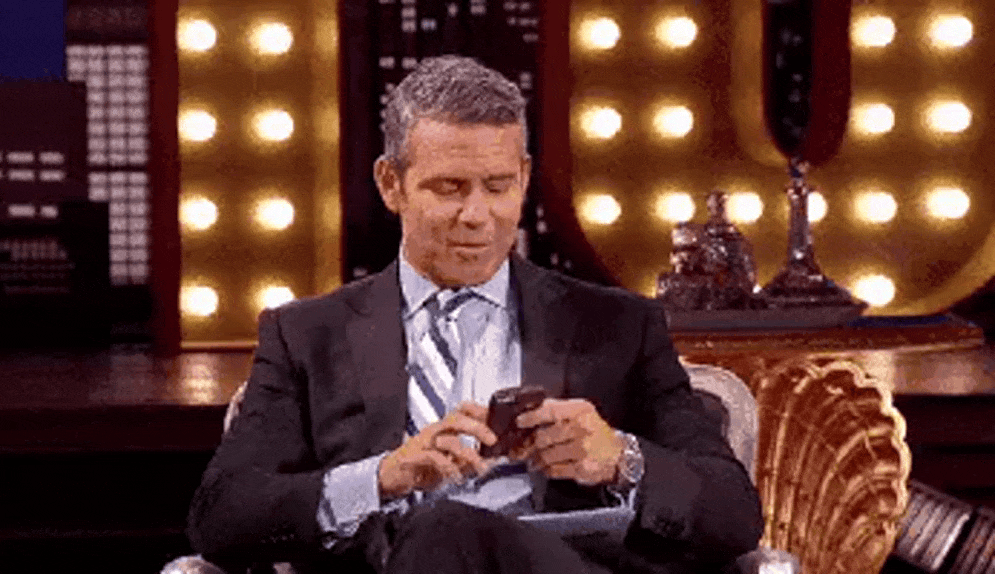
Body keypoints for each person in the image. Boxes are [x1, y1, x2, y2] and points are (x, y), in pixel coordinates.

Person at [186, 55, 764, 574]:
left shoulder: (618, 326)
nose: (477, 215)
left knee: (450, 530)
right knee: (440, 530)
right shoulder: (307, 336)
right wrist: (381, 477)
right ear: (391, 184)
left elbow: (734, 515)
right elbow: (223, 517)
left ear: (525, 179)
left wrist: (620, 460)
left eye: (498, 186)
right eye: (449, 188)